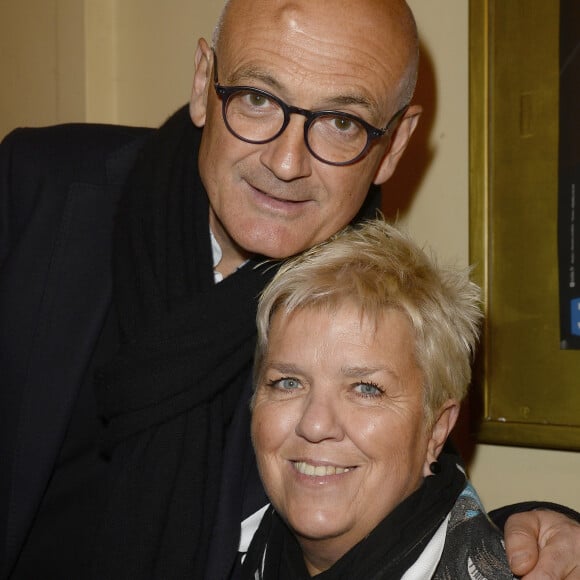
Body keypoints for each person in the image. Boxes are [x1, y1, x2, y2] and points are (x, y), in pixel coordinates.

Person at [0, 0, 578, 578]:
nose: (285, 161)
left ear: (395, 144)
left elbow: (400, 494)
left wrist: (523, 535)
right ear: (205, 82)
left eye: (341, 121)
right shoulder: (36, 190)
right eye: (256, 98)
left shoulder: (367, 309)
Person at [245, 218, 511, 578]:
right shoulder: (221, 547)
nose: (315, 424)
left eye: (366, 389)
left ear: (436, 430)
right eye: (288, 382)